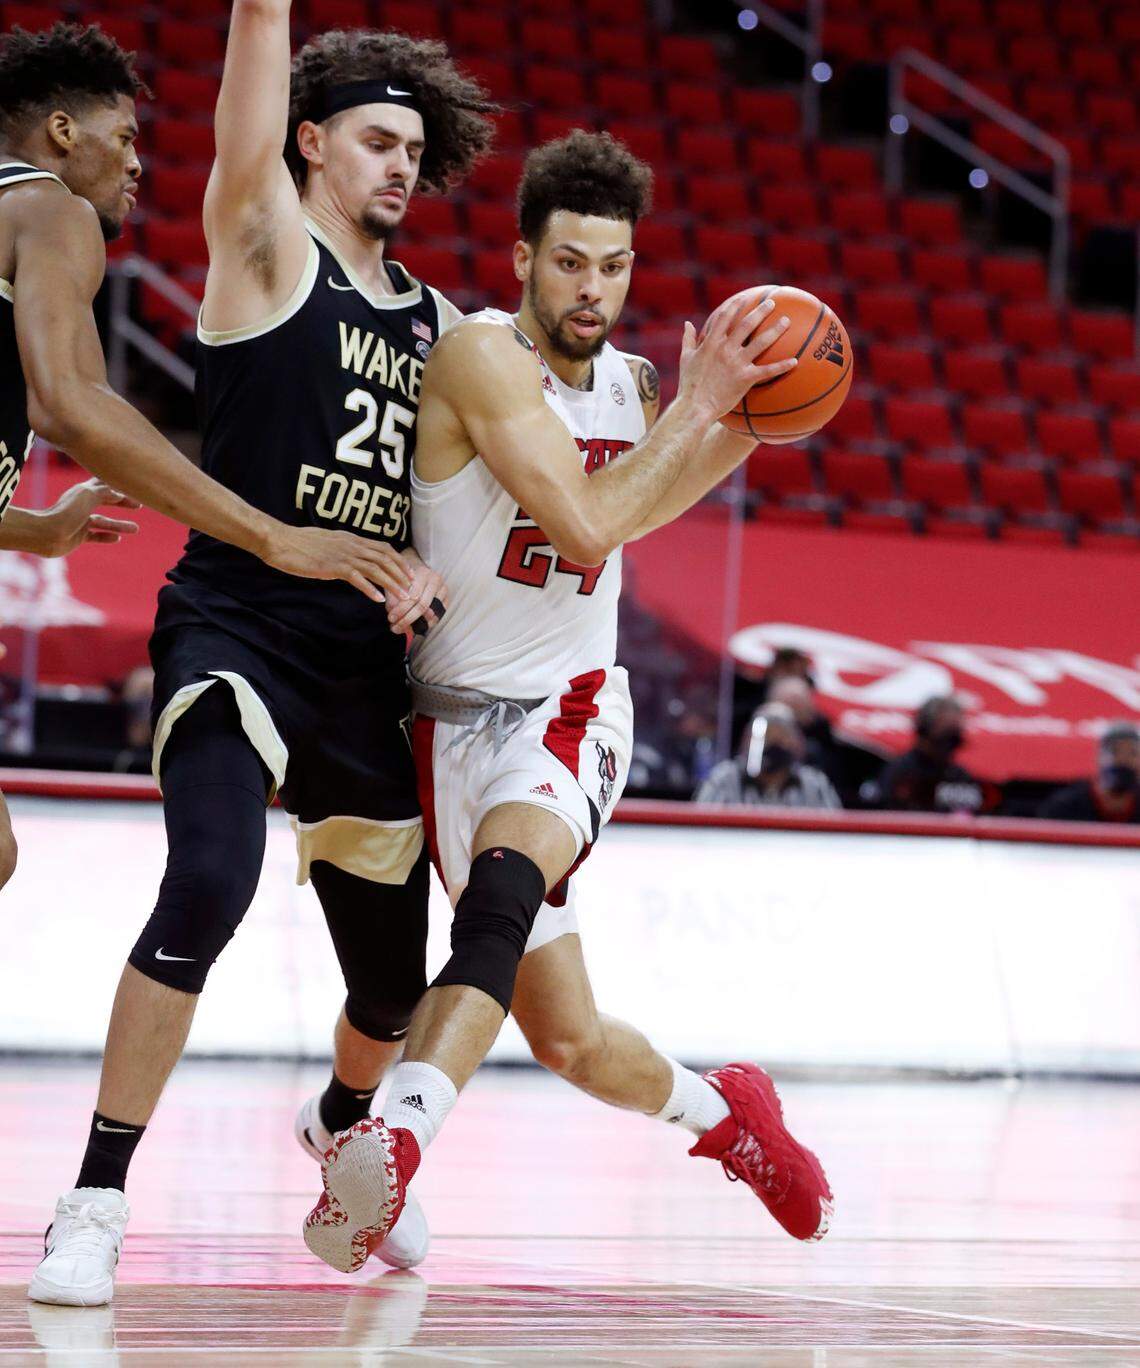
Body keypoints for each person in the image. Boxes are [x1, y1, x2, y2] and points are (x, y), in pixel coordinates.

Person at [301, 131, 833, 1275]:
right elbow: (591, 523)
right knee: (574, 1042)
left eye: (615, 267)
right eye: (571, 265)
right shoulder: (483, 359)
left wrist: (744, 417)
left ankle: (392, 1142)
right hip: (447, 715)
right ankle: (729, 1113)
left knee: (497, 895)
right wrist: (702, 413)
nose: (595, 290)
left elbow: (655, 499)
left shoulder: (640, 388)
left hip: (573, 701)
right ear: (523, 260)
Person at [29, 10, 495, 1306]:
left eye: (413, 146)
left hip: (362, 665)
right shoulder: (267, 247)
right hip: (238, 623)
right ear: (309, 144)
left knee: (394, 983)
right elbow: (240, 132)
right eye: (373, 141)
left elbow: (453, 503)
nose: (400, 165)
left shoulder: (445, 326)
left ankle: (344, 1119)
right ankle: (96, 1199)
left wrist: (428, 571)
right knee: (212, 881)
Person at [0, 23, 413, 897]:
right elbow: (68, 402)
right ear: (64, 133)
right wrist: (271, 536)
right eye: (125, 137)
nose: (137, 163)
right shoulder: (52, 209)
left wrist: (27, 528)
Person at [696, 701, 841, 808]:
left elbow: (834, 836)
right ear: (747, 741)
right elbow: (701, 830)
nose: (774, 744)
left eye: (782, 738)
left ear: (798, 744)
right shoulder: (724, 779)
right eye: (766, 737)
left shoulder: (814, 784)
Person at [867, 695, 985, 814]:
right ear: (924, 730)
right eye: (946, 733)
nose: (950, 743)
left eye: (955, 734)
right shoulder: (898, 773)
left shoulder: (960, 778)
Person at [1038, 723, 1140, 823]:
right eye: (1115, 752)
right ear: (1098, 758)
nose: (1123, 760)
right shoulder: (1064, 806)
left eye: (1132, 753)